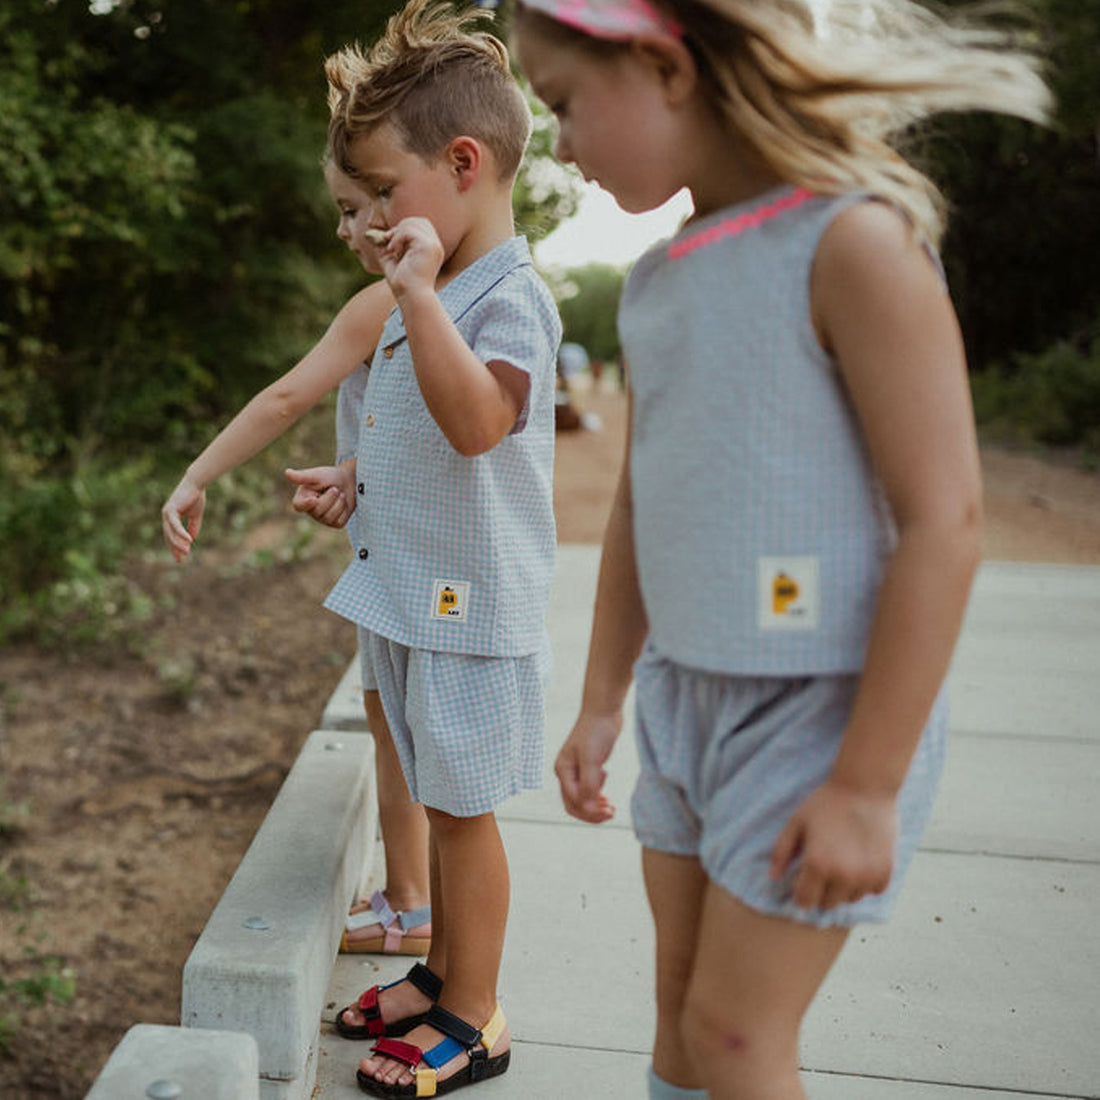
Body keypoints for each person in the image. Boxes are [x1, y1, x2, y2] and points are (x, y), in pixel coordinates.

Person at [511, 1, 1050, 1098]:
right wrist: (605, 695)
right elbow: (638, 508)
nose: (558, 144)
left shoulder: (853, 239)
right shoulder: (658, 283)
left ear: (663, 66)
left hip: (820, 712)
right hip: (684, 700)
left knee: (736, 1035)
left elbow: (943, 519)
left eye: (563, 104)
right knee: (676, 1017)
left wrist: (864, 783)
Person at [309, 0, 561, 1094]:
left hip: (472, 603)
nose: (367, 221)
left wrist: (412, 294)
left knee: (464, 814)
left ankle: (475, 1012)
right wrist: (360, 475)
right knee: (435, 785)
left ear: (463, 163)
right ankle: (439, 966)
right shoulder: (443, 291)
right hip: (418, 593)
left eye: (383, 194)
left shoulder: (507, 299)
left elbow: (477, 425)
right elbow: (420, 434)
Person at [160, 155, 432, 953]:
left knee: (399, 730)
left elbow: (286, 396)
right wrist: (356, 473)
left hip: (405, 567)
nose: (343, 228)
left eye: (353, 208)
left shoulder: (384, 302)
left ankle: (414, 906)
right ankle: (411, 899)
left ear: (393, 202)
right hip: (406, 553)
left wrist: (196, 475)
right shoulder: (457, 303)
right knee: (400, 727)